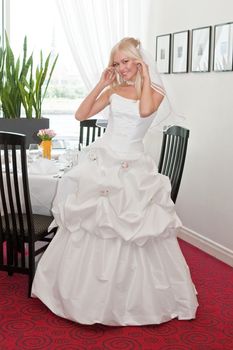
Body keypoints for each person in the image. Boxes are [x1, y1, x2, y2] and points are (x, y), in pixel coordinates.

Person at [31, 37, 198, 326]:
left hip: (134, 165)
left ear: (139, 60)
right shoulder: (113, 89)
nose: (121, 68)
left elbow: (145, 111)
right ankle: (82, 296)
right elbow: (81, 114)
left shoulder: (155, 91)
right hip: (103, 159)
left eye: (126, 61)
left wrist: (144, 77)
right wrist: (101, 83)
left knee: (131, 226)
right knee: (92, 223)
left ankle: (130, 301)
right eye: (117, 63)